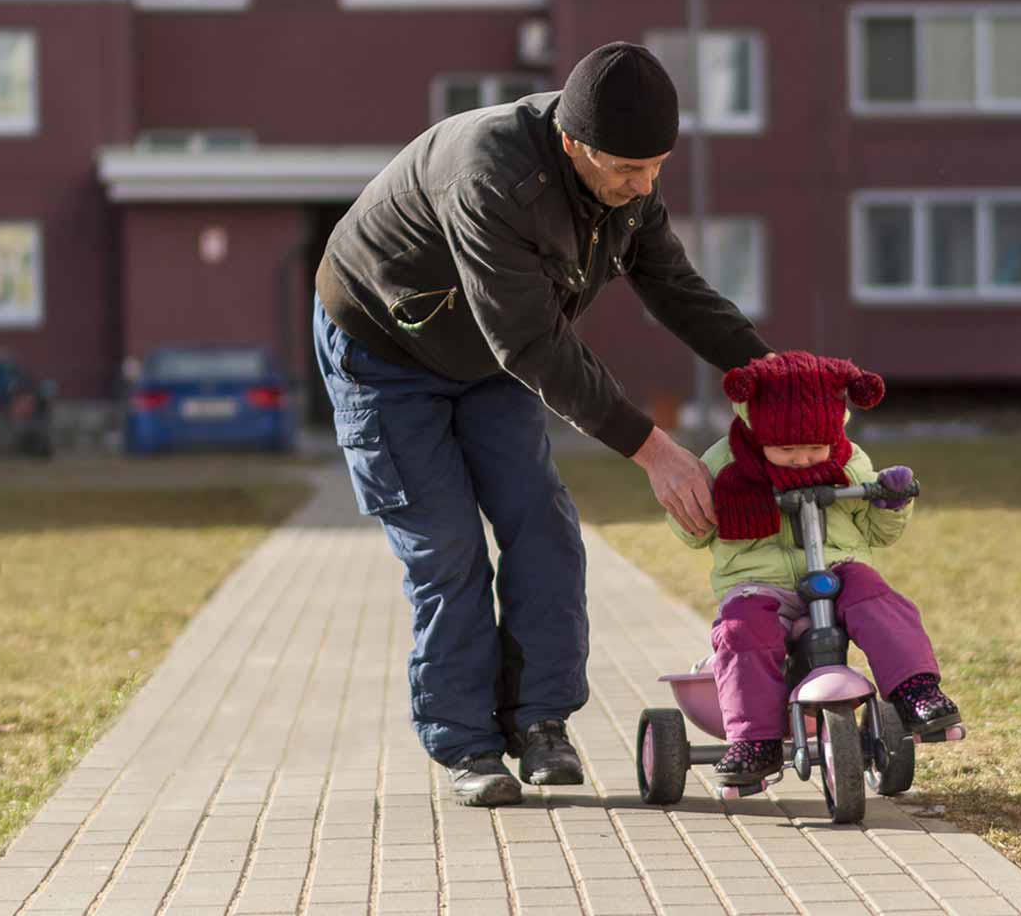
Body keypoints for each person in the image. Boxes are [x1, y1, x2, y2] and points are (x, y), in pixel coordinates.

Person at [313, 41, 773, 806]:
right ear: (573, 140)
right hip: (384, 352)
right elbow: (529, 342)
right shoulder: (490, 171)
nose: (644, 184)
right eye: (628, 169)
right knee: (449, 547)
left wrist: (770, 381)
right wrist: (653, 451)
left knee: (544, 525)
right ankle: (468, 747)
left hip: (488, 357)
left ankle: (541, 724)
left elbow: (677, 290)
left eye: (657, 164)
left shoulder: (627, 181)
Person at [667, 351, 961, 790]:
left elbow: (877, 533)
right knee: (740, 631)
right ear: (759, 431)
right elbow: (691, 533)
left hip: (836, 568)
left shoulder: (848, 461)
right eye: (787, 449)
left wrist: (892, 501)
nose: (803, 459)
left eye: (814, 448)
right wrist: (698, 505)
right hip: (757, 584)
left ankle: (916, 689)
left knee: (877, 597)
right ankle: (754, 740)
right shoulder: (725, 464)